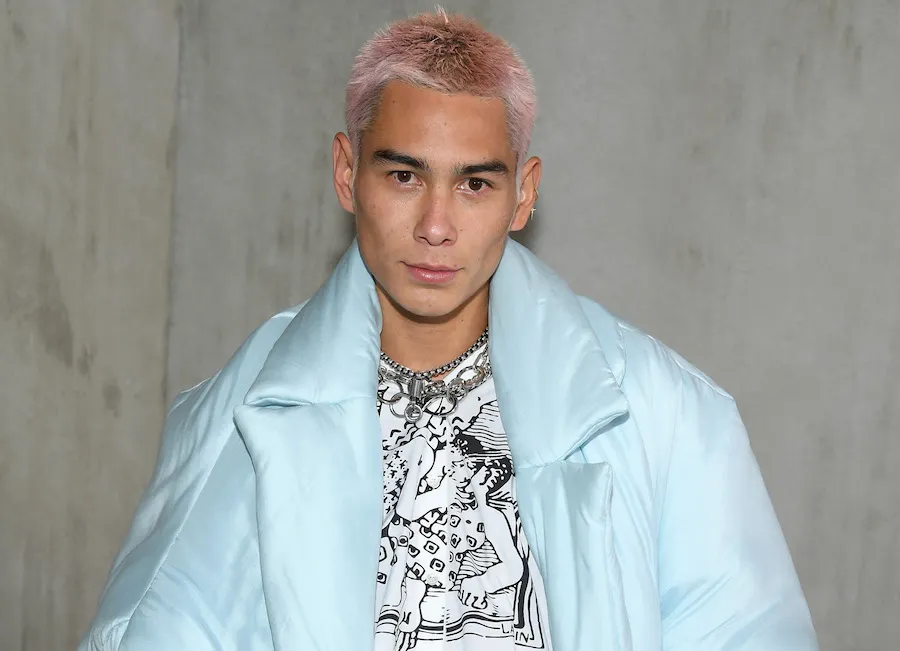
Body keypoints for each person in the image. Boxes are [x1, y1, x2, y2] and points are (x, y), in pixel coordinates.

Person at [79, 8, 819, 651]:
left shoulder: (666, 415)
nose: (436, 226)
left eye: (474, 183)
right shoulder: (233, 413)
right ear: (346, 173)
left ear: (523, 194)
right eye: (404, 176)